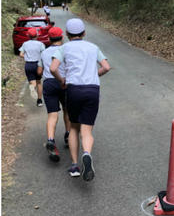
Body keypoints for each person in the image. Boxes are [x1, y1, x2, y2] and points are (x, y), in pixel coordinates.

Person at [49, 18, 111, 180]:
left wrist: (61, 80)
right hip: (92, 90)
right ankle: (87, 154)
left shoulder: (64, 48)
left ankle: (75, 165)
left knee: (74, 128)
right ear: (84, 33)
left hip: (74, 90)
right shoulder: (93, 47)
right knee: (87, 130)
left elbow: (53, 68)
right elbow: (106, 67)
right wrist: (94, 74)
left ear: (67, 34)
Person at [39, 26, 70, 162]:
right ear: (62, 37)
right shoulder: (66, 50)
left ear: (49, 38)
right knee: (67, 110)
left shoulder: (44, 52)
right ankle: (68, 135)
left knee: (52, 114)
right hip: (64, 82)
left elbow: (39, 70)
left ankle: (51, 139)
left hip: (49, 83)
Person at [20, 28, 45, 106]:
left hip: (28, 65)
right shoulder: (40, 44)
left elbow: (21, 54)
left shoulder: (25, 44)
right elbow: (43, 54)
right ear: (37, 35)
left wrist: (27, 57)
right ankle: (39, 101)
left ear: (28, 36)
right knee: (39, 82)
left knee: (32, 81)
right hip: (38, 64)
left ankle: (32, 86)